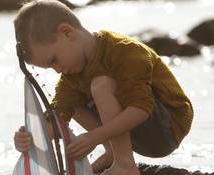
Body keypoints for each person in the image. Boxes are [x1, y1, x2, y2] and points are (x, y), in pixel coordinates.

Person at [12, 0, 194, 174]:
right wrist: (30, 138)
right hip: (134, 131)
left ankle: (125, 165)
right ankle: (112, 154)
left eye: (54, 61)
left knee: (101, 84)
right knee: (71, 102)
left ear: (67, 33)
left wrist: (94, 137)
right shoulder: (71, 75)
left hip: (168, 127)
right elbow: (58, 117)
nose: (58, 70)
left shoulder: (125, 52)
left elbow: (141, 109)